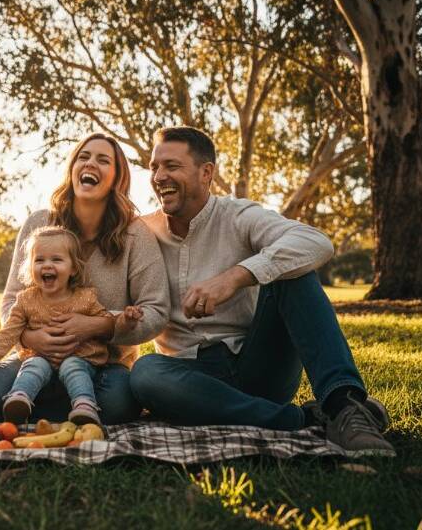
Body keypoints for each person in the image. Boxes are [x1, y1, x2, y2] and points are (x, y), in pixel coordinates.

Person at [130, 126, 393, 456]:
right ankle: (305, 418)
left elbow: (316, 243)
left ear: (206, 172)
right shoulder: (142, 232)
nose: (159, 176)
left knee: (293, 270)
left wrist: (236, 277)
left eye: (172, 166)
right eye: (154, 167)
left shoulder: (238, 215)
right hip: (191, 378)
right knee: (145, 373)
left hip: (258, 363)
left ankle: (344, 404)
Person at [0, 133, 170, 424]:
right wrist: (30, 336)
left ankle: (50, 402)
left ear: (117, 178)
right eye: (84, 157)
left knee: (118, 406)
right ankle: (37, 400)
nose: (91, 163)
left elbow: (156, 312)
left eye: (103, 160)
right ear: (72, 168)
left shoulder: (134, 235)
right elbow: (12, 301)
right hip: (36, 358)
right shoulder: (40, 223)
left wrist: (99, 325)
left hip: (101, 362)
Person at [0, 226, 143, 425]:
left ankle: (84, 406)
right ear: (30, 267)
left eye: (57, 259)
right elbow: (9, 332)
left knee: (73, 366)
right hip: (41, 357)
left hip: (81, 358)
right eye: (39, 260)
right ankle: (18, 399)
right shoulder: (26, 300)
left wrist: (126, 320)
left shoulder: (85, 299)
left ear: (74, 269)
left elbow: (106, 323)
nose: (47, 265)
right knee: (33, 365)